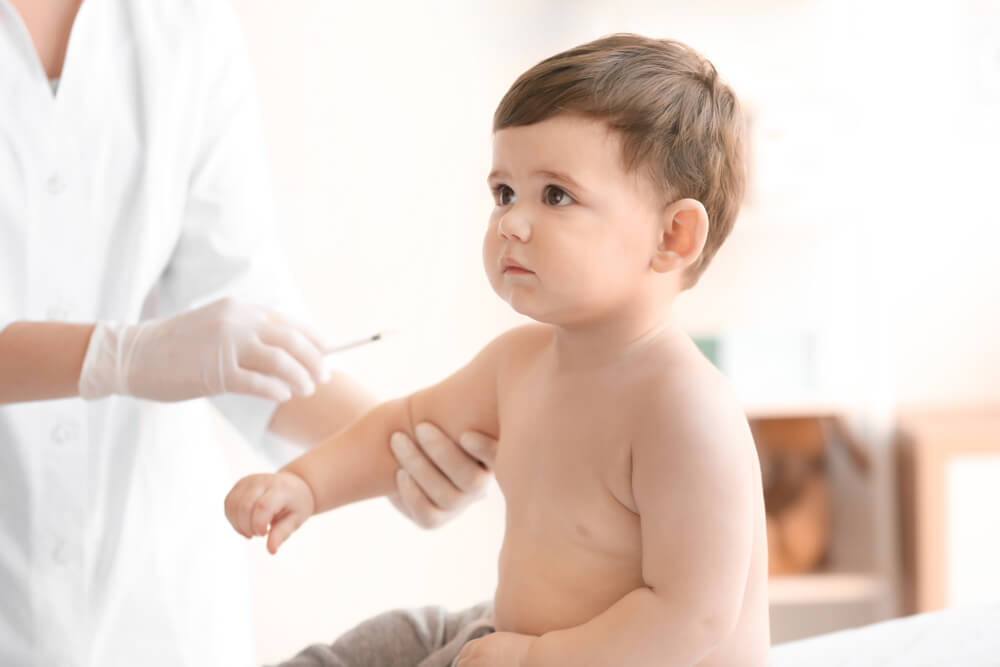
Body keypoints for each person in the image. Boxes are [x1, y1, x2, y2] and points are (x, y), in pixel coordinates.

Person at [226, 33, 770, 667]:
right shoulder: (519, 362)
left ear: (672, 236)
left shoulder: (682, 407)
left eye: (556, 195)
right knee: (380, 643)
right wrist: (305, 484)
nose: (511, 221)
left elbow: (691, 618)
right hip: (507, 635)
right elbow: (407, 425)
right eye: (504, 193)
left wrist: (536, 658)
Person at [0, 1, 494, 665]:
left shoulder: (185, 21)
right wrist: (118, 355)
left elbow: (240, 323)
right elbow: (176, 352)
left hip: (153, 603)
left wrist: (398, 453)